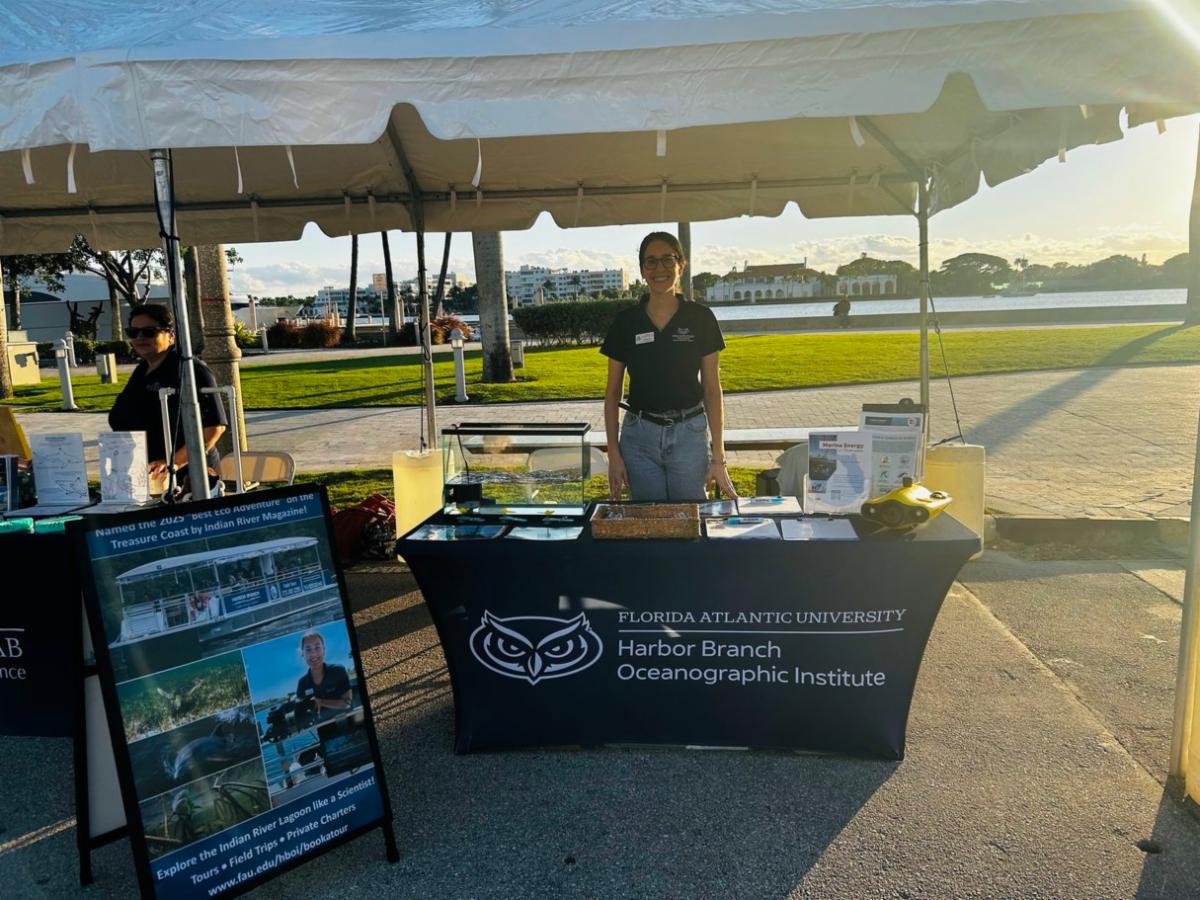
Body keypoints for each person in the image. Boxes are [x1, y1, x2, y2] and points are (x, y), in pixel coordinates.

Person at [601, 232, 737, 501]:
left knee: (689, 517)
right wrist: (613, 455)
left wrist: (718, 456)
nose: (659, 268)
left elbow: (712, 389)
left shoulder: (700, 318)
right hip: (639, 439)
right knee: (648, 520)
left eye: (667, 259)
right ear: (642, 270)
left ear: (681, 265)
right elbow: (612, 393)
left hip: (689, 435)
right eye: (650, 261)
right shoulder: (626, 322)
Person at [107, 304, 227, 491]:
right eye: (133, 332)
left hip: (189, 480)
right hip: (144, 476)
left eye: (149, 332)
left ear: (171, 335)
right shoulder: (141, 371)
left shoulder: (191, 371)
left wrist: (172, 463)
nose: (139, 338)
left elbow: (214, 428)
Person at [295, 631, 352, 719]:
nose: (313, 654)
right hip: (321, 727)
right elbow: (301, 715)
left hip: (347, 720)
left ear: (323, 649)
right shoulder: (302, 683)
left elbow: (347, 703)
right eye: (308, 649)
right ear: (303, 654)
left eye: (317, 647)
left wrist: (321, 702)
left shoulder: (338, 671)